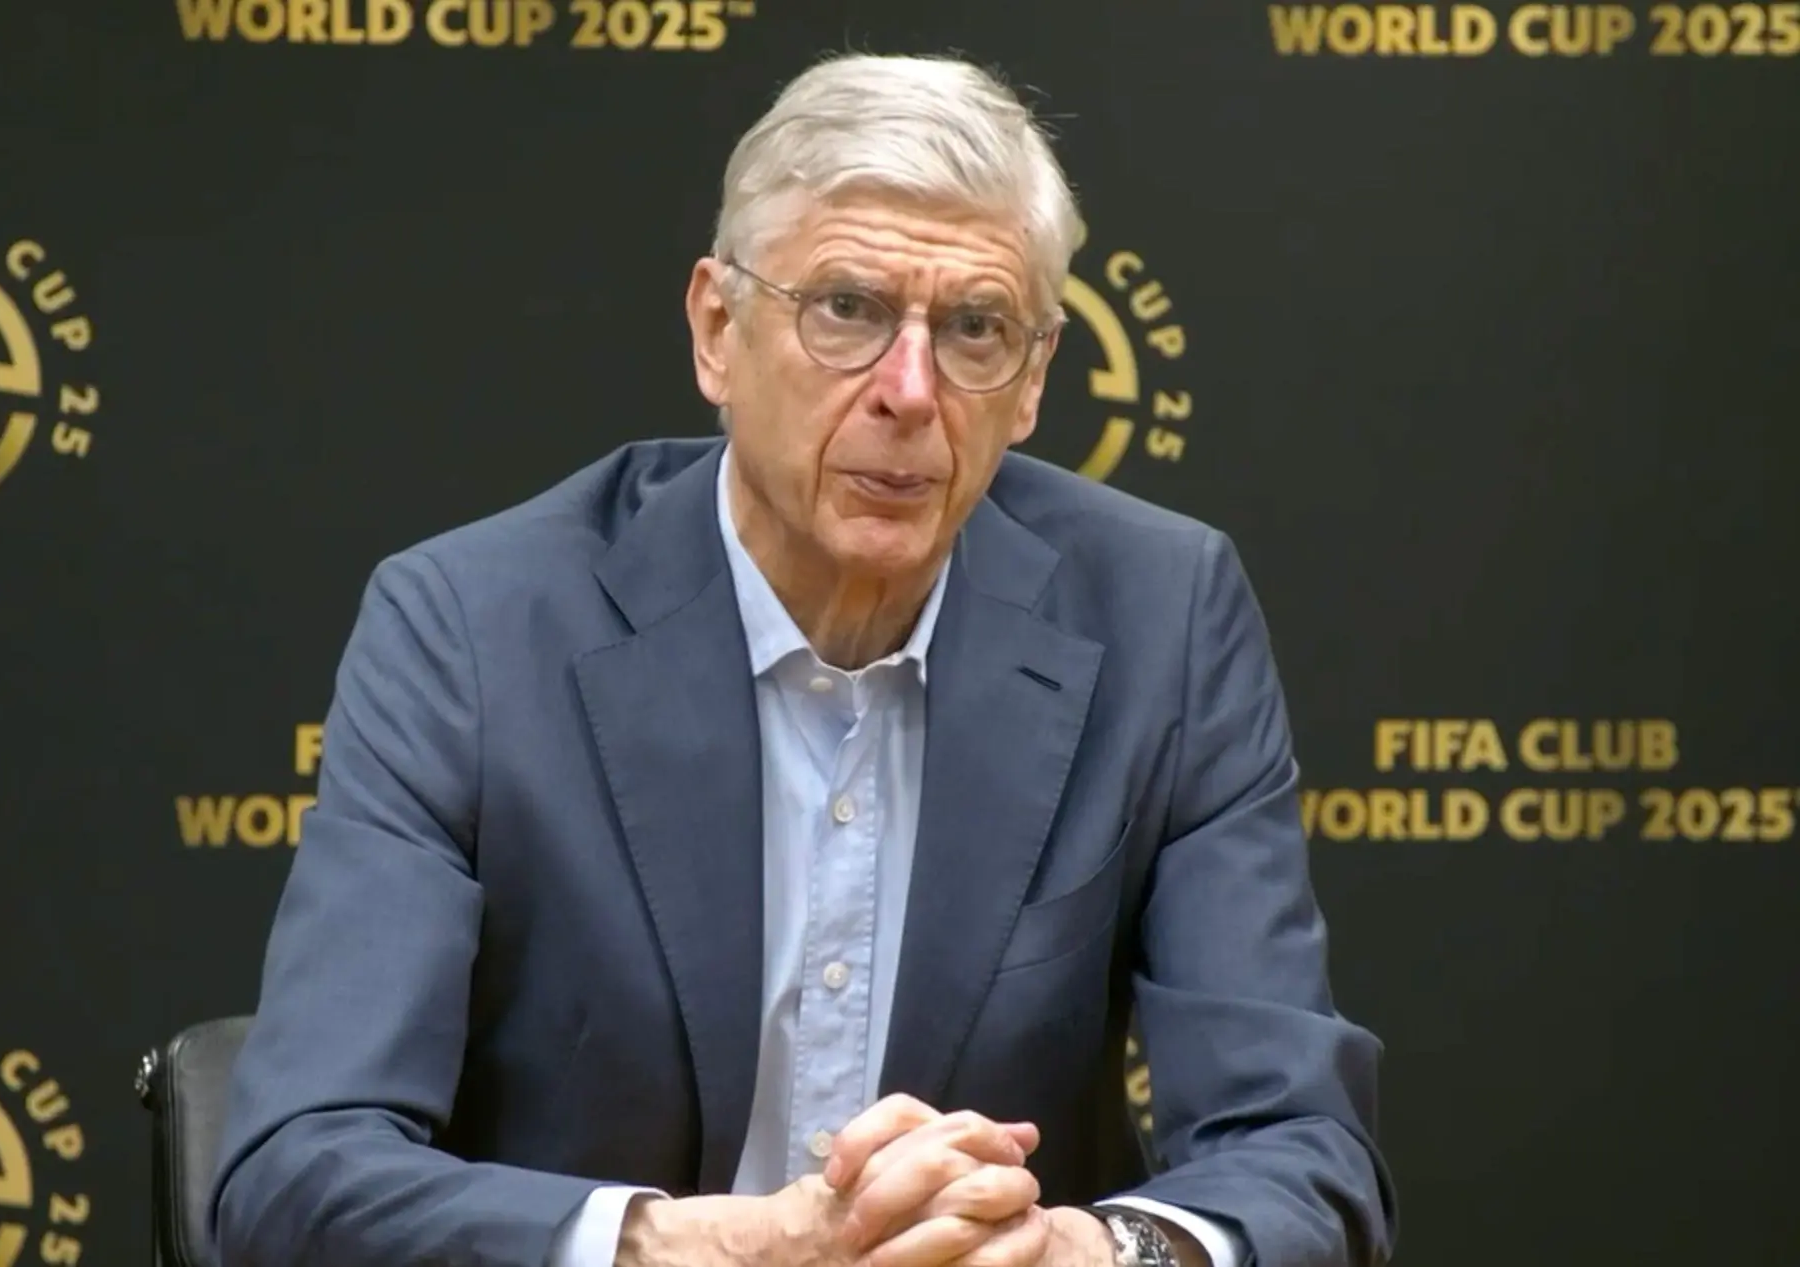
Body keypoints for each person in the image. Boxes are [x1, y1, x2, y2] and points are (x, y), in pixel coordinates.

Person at [208, 51, 1397, 1267]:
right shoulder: (469, 629)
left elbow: (1302, 1151)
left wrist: (1089, 1255)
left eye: (974, 329)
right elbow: (295, 1172)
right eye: (846, 309)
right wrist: (711, 1249)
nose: (909, 392)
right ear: (717, 331)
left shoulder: (1160, 617)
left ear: (1034, 380)